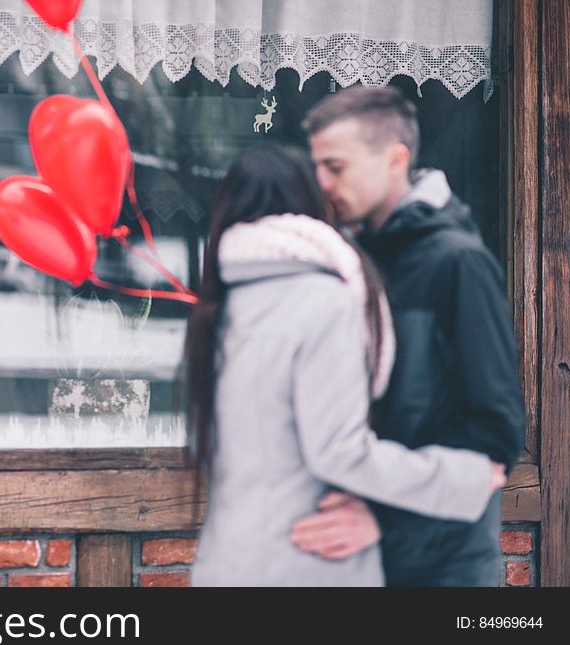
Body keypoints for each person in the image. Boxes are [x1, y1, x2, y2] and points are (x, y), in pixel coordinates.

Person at [186, 147, 506, 586]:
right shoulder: (325, 300)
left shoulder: (216, 311)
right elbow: (339, 451)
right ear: (309, 205)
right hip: (307, 563)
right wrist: (461, 479)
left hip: (227, 563)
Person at [295, 85, 525, 586]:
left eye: (335, 167)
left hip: (443, 570)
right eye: (317, 167)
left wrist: (381, 520)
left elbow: (497, 436)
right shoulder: (354, 260)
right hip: (364, 564)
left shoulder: (458, 263)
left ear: (395, 159)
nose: (322, 183)